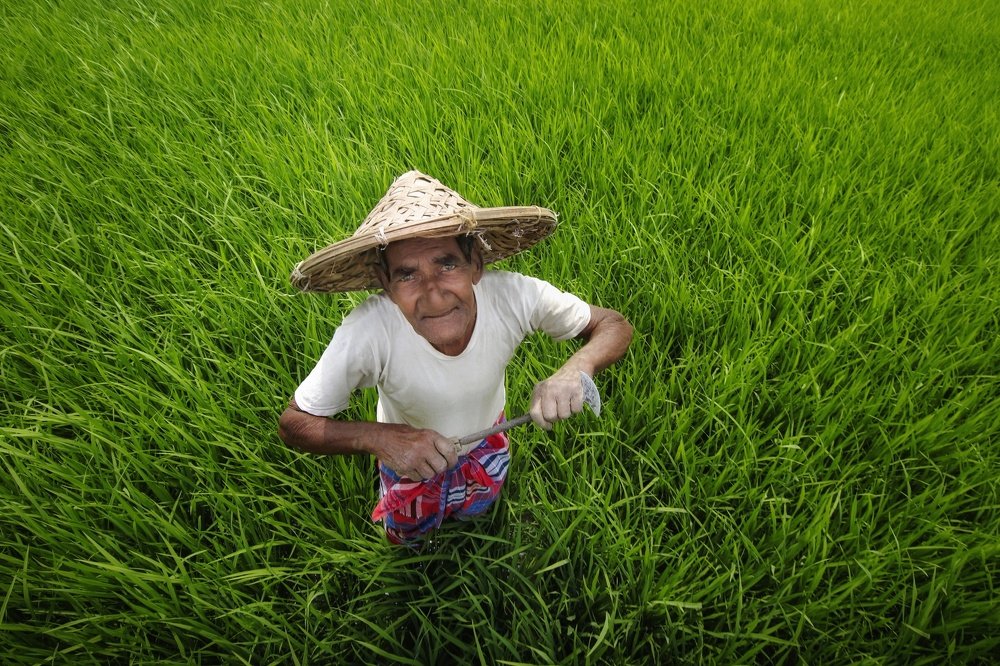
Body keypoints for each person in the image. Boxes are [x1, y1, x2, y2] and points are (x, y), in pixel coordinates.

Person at [279, 171, 632, 545]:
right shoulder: (367, 330)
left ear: (475, 264)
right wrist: (382, 438)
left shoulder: (516, 297)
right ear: (386, 283)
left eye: (446, 264)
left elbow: (613, 324)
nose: (433, 295)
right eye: (407, 275)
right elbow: (293, 423)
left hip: (488, 437)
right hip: (407, 455)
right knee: (410, 540)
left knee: (479, 515)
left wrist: (576, 368)